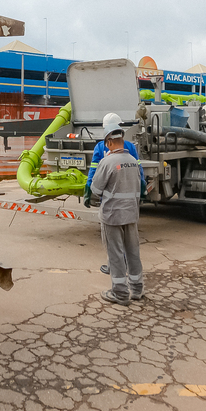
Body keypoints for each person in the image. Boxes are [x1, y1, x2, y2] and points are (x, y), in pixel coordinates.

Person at [88, 113, 144, 306]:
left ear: (110, 143)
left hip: (112, 215)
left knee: (116, 253)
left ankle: (120, 293)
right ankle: (137, 289)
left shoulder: (108, 162)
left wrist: (92, 195)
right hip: (131, 214)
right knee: (133, 251)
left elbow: (95, 189)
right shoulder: (133, 160)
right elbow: (140, 184)